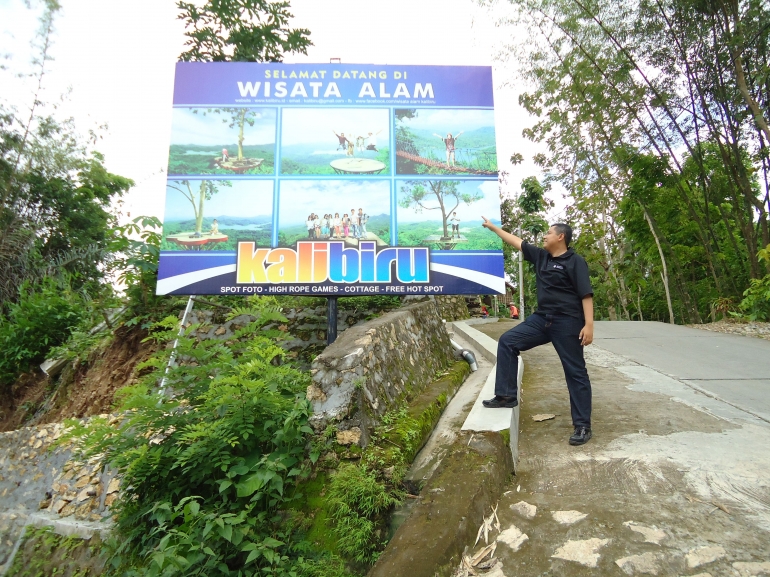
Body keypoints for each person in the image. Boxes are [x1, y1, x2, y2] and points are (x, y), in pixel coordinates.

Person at [480, 219, 595, 446]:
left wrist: (588, 325)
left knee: (575, 372)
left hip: (568, 322)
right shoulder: (541, 257)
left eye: (549, 233)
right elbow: (516, 242)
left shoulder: (575, 261)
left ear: (561, 237)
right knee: (508, 341)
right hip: (541, 319)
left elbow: (586, 295)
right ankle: (506, 395)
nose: (544, 236)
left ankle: (582, 426)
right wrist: (494, 228)